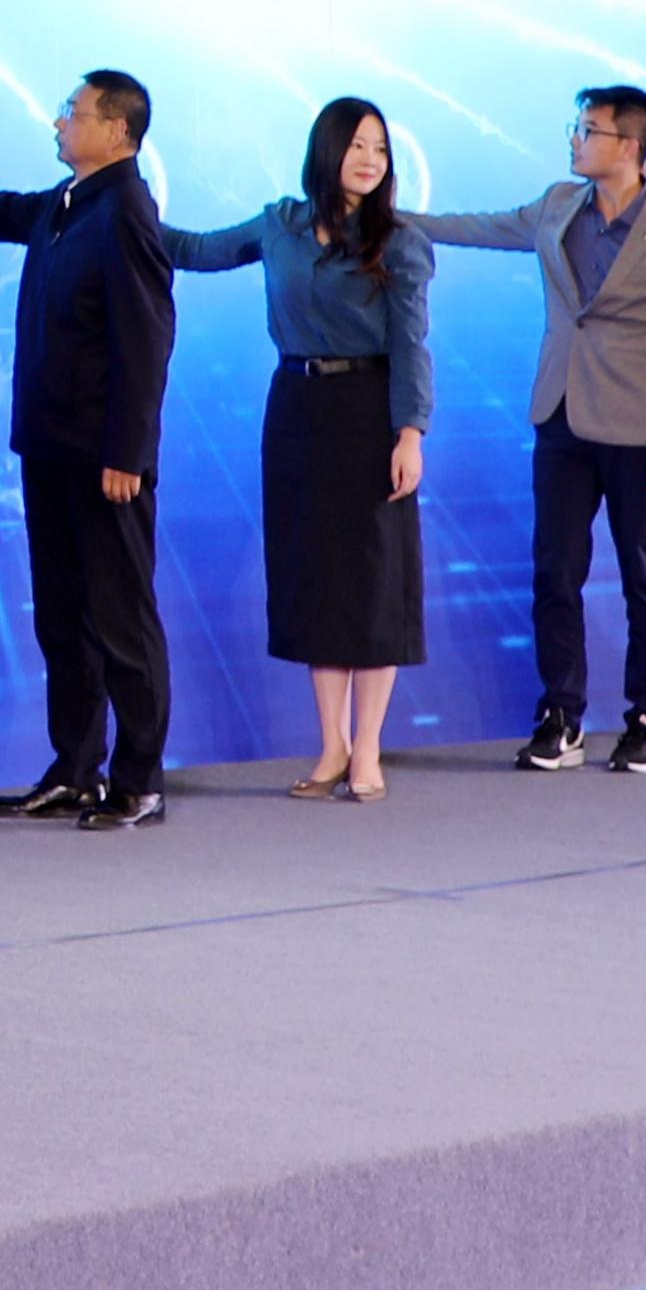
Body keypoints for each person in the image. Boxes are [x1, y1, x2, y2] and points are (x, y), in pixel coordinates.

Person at [409, 83, 646, 777]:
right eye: (576, 127)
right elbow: (485, 226)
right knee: (555, 573)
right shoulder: (557, 205)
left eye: (589, 130)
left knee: (645, 580)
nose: (575, 140)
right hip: (562, 417)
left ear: (629, 146)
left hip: (641, 430)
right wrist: (398, 220)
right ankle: (562, 715)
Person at [158, 97, 434, 801]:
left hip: (370, 412)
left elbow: (411, 345)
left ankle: (368, 748)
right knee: (316, 579)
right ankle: (331, 746)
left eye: (381, 148)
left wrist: (411, 432)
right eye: (358, 145)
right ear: (326, 150)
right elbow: (195, 251)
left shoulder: (400, 241)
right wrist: (121, 214)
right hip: (297, 410)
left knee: (372, 582)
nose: (371, 160)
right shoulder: (279, 224)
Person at [0, 71, 181, 831]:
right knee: (63, 616)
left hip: (104, 456)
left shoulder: (127, 211)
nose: (57, 122)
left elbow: (146, 339)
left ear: (116, 131)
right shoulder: (66, 202)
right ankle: (76, 769)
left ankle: (139, 779)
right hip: (50, 446)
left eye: (72, 113)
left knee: (121, 618)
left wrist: (129, 452)